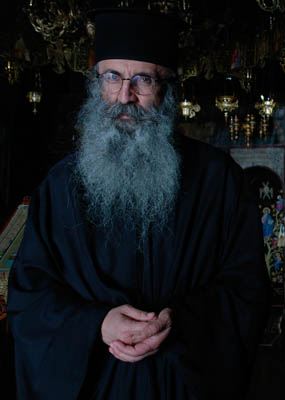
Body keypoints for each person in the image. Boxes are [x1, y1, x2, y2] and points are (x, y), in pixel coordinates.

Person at [7, 8, 269, 399]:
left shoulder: (219, 181)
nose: (124, 96)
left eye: (142, 79)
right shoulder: (59, 187)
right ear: (97, 84)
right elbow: (30, 298)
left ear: (166, 90)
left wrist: (180, 323)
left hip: (181, 386)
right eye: (112, 77)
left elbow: (247, 291)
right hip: (95, 387)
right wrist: (96, 325)